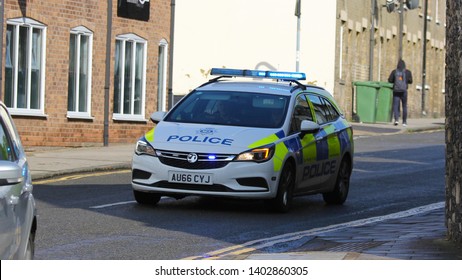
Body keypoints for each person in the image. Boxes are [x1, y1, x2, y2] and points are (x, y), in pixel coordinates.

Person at [388, 59, 413, 126]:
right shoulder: (408, 72)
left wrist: (395, 81)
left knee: (395, 106)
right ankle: (404, 122)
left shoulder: (394, 71)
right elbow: (411, 81)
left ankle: (396, 120)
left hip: (396, 91)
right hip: (404, 91)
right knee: (404, 106)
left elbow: (390, 80)